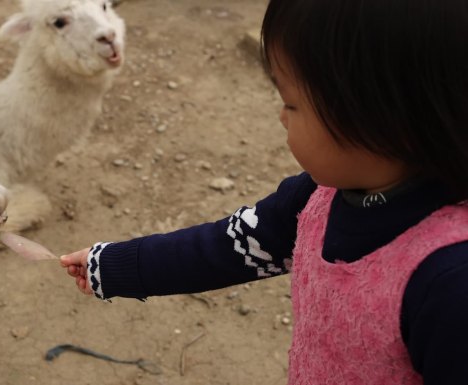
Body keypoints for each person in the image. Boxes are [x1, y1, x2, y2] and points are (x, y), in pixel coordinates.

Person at [60, 0, 468, 383]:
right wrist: (113, 266)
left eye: (292, 104)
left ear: (378, 120)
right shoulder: (317, 198)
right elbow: (226, 248)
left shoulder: (449, 285)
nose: (281, 116)